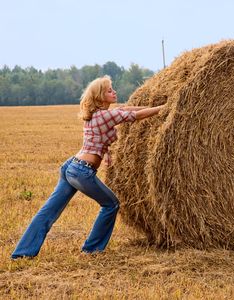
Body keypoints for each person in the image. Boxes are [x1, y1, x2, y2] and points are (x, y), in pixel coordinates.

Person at [11, 75, 164, 259]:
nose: (114, 92)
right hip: (82, 171)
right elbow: (134, 115)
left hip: (71, 167)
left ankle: (22, 253)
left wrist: (153, 107)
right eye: (109, 90)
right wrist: (164, 108)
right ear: (100, 97)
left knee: (48, 211)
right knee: (111, 204)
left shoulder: (97, 115)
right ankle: (91, 250)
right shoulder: (104, 116)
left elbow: (125, 109)